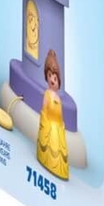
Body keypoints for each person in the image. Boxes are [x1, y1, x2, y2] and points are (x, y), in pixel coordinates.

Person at [36, 50, 69, 180]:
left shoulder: (58, 99)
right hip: (49, 128)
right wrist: (45, 124)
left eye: (55, 78)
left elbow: (60, 117)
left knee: (59, 150)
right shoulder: (47, 94)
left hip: (58, 130)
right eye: (50, 76)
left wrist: (61, 127)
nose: (52, 80)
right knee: (51, 146)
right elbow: (44, 111)